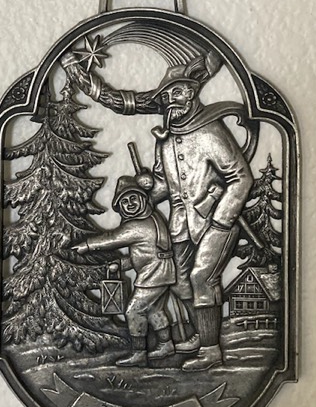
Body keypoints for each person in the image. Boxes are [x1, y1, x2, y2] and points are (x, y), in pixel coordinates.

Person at [63, 50, 253, 371]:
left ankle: (211, 351)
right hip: (180, 225)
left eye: (177, 92)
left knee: (202, 277)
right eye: (166, 96)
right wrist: (148, 190)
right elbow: (168, 186)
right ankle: (196, 336)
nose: (171, 100)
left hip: (215, 221)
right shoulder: (165, 141)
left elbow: (241, 178)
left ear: (192, 92)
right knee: (180, 284)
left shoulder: (211, 131)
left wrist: (222, 220)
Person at [73, 173, 178, 366]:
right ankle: (167, 344)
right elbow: (145, 253)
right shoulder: (154, 219)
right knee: (155, 310)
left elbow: (112, 239)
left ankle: (139, 353)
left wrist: (87, 245)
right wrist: (122, 264)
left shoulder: (136, 226)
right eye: (124, 201)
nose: (129, 204)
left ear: (143, 199)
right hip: (163, 272)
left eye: (133, 198)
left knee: (133, 311)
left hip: (153, 275)